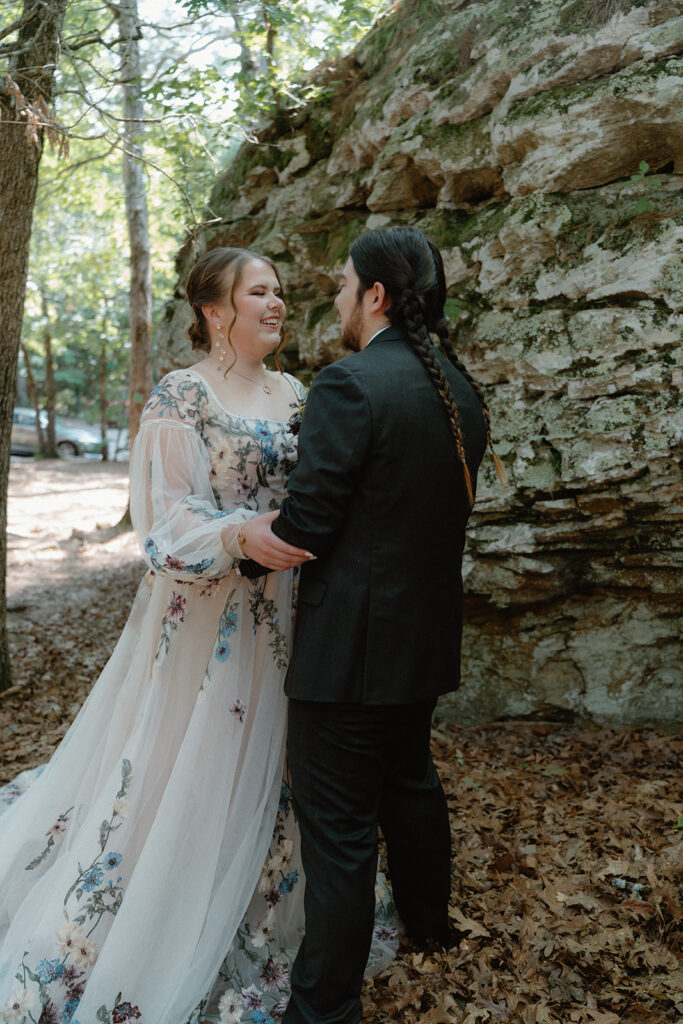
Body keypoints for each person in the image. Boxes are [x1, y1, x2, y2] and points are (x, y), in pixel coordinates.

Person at [0, 246, 397, 1024]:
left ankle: (265, 921)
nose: (276, 303)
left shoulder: (299, 393)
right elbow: (163, 520)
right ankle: (154, 918)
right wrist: (239, 538)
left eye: (279, 291)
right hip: (203, 623)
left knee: (283, 769)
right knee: (189, 762)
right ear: (216, 311)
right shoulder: (182, 395)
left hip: (288, 618)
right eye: (258, 292)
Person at [244, 226, 506, 1024]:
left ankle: (324, 1007)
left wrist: (241, 555)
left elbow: (309, 521)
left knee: (340, 833)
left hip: (350, 652)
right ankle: (429, 929)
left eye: (342, 284)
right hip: (423, 642)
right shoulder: (458, 388)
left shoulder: (349, 384)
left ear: (377, 296)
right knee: (410, 784)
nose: (332, 297)